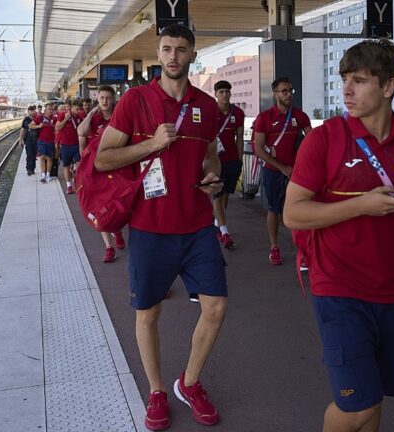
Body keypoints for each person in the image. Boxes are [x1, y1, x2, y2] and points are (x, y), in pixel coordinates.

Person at [283, 39, 394, 432]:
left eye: (359, 81)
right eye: (344, 80)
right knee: (357, 404)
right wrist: (361, 205)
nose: (347, 91)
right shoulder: (324, 139)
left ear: (388, 87)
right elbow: (293, 213)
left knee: (374, 399)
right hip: (337, 287)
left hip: (391, 289)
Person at [95, 24, 227, 431]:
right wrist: (150, 145)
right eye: (167, 49)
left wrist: (214, 178)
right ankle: (156, 391)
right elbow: (102, 159)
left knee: (217, 307)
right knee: (147, 312)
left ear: (192, 55)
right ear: (158, 53)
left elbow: (211, 157)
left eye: (181, 50)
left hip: (198, 225)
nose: (173, 56)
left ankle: (189, 382)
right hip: (150, 227)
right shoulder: (135, 100)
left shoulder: (206, 105)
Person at [253, 77, 311, 266]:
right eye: (284, 91)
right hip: (273, 172)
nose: (288, 95)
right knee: (274, 210)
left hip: (297, 173)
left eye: (290, 91)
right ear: (275, 94)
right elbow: (259, 149)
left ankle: (303, 251)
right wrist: (282, 168)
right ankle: (274, 247)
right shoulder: (264, 118)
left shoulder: (300, 116)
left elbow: (312, 142)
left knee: (300, 210)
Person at [77, 85, 126, 262]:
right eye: (102, 98)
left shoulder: (118, 116)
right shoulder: (93, 118)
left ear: (113, 99)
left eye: (108, 98)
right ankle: (108, 247)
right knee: (98, 206)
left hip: (116, 168)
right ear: (97, 99)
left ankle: (117, 229)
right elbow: (81, 132)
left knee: (117, 203)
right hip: (95, 171)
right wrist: (90, 114)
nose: (105, 101)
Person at [212, 80, 245, 249]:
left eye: (227, 91)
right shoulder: (210, 111)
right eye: (221, 92)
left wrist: (240, 160)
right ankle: (224, 231)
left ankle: (218, 223)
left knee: (225, 195)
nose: (225, 94)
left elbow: (239, 138)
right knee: (217, 193)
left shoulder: (238, 113)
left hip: (232, 160)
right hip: (215, 161)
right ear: (216, 94)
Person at [56, 100, 82, 193]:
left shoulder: (79, 116)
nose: (78, 111)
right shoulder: (63, 115)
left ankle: (76, 182)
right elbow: (57, 127)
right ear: (71, 107)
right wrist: (66, 119)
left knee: (79, 165)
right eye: (77, 109)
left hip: (76, 145)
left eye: (80, 109)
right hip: (65, 145)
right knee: (66, 165)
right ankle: (68, 186)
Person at [29, 102, 57, 183]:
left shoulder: (54, 119)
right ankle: (42, 174)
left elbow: (57, 128)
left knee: (49, 158)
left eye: (52, 109)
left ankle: (48, 174)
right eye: (49, 109)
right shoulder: (40, 117)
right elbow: (30, 125)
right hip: (41, 140)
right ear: (45, 110)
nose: (51, 111)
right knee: (42, 157)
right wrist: (38, 126)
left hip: (51, 141)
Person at [18, 105, 38, 175]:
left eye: (33, 111)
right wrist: (20, 140)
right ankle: (29, 169)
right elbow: (23, 130)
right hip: (28, 139)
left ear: (35, 111)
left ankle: (33, 168)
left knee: (34, 154)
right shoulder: (26, 120)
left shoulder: (37, 118)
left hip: (36, 139)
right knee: (29, 154)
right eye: (30, 111)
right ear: (28, 112)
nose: (31, 112)